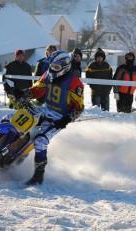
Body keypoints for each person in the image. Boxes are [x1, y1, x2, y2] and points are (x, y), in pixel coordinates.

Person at [11, 50, 84, 185]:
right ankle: (0, 147)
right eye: (51, 65)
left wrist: (67, 119)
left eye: (56, 67)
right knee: (14, 119)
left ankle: (38, 177)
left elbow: (79, 107)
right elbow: (37, 89)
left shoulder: (74, 82)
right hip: (45, 109)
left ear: (65, 66)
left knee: (40, 141)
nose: (52, 69)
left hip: (59, 117)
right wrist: (23, 93)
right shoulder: (48, 75)